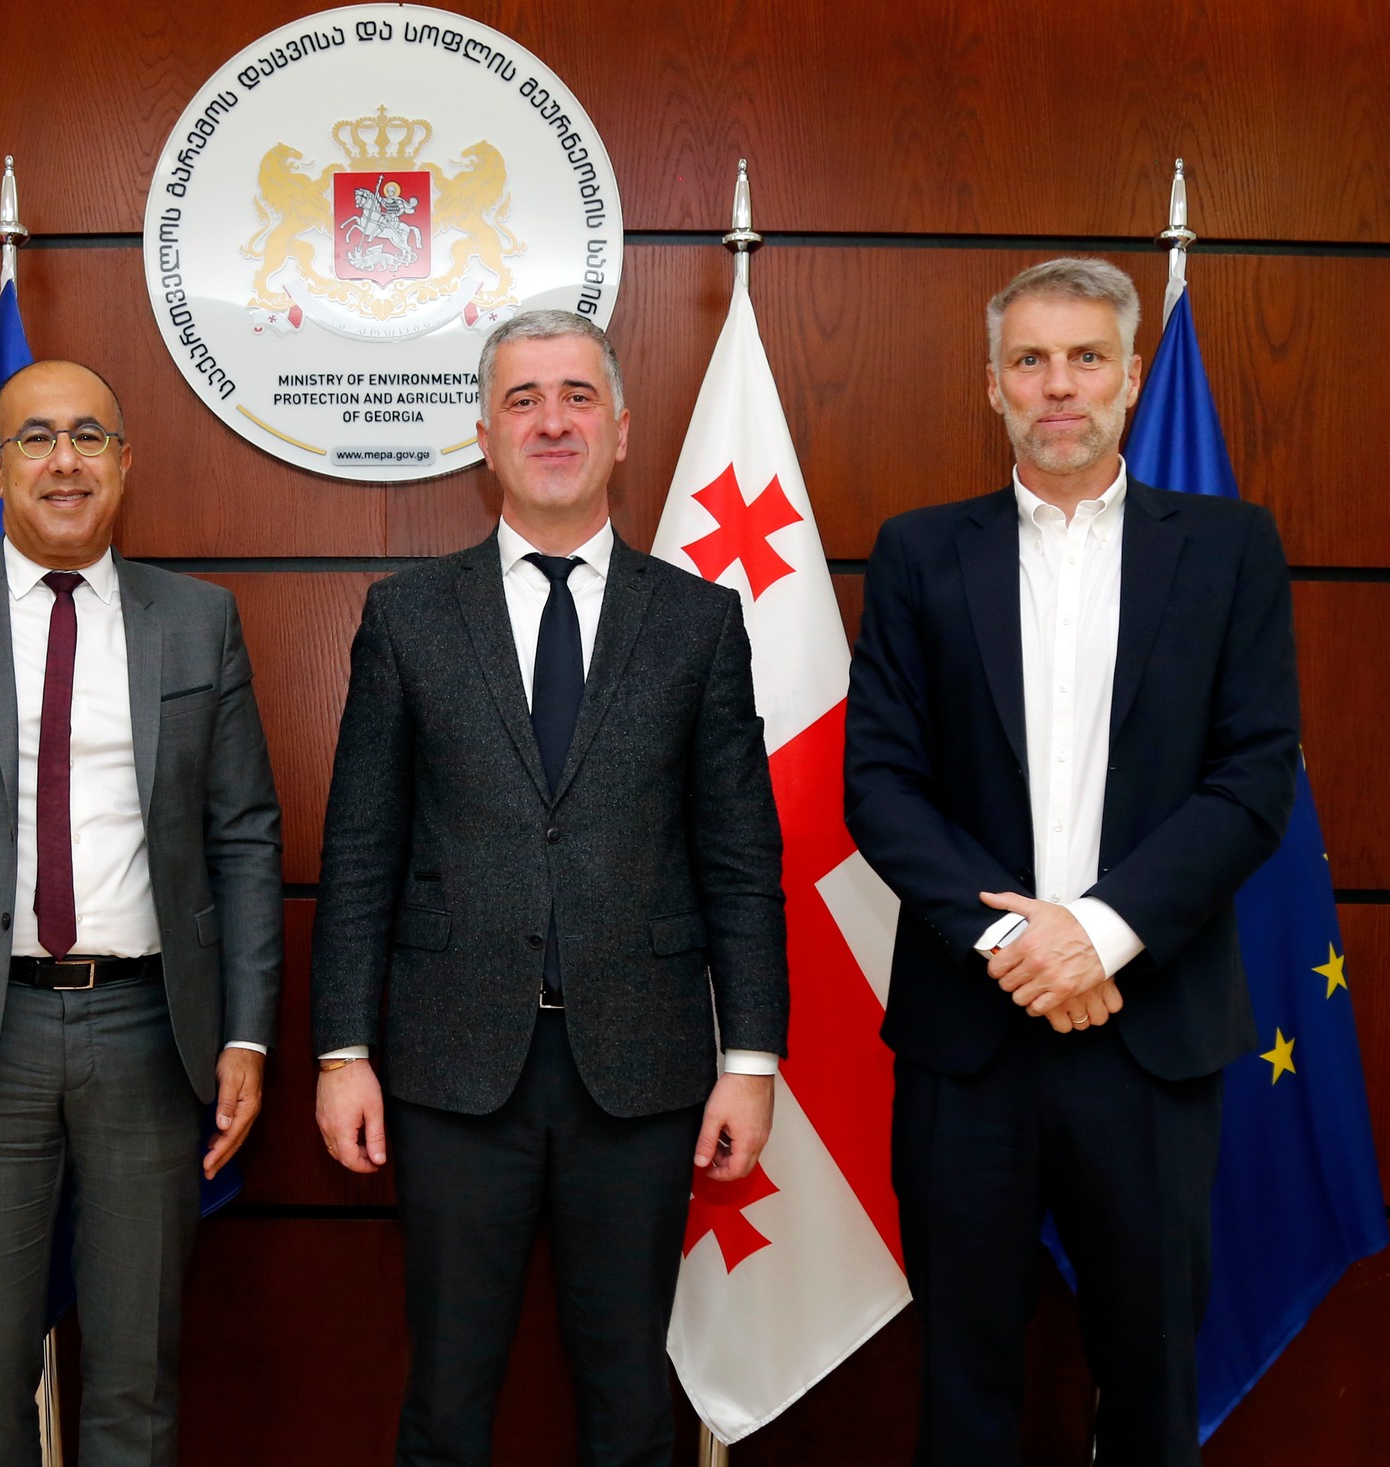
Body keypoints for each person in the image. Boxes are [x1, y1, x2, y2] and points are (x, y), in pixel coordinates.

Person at [311, 310, 790, 1467]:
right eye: (521, 400)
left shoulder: (697, 621)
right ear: (484, 438)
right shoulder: (406, 616)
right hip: (449, 1070)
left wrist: (749, 1061)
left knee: (627, 1402)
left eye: (576, 396)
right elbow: (361, 849)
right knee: (445, 1398)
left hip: (641, 1073)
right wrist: (340, 1053)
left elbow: (737, 857)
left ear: (619, 429)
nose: (551, 421)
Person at [844, 258, 1300, 1465]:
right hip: (967, 1039)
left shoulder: (1228, 548)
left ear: (1131, 378)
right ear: (991, 385)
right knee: (961, 1385)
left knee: (1150, 1388)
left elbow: (1252, 779)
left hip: (1148, 1035)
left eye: (1086, 358)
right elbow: (879, 785)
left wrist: (1093, 937)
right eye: (1030, 361)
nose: (1058, 385)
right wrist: (1017, 944)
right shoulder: (917, 553)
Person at [0, 360, 283, 1466]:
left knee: (138, 1381)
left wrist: (248, 1035)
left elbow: (243, 839)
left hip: (150, 1035)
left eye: (88, 436)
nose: (63, 460)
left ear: (124, 462)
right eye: (35, 438)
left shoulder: (197, 620)